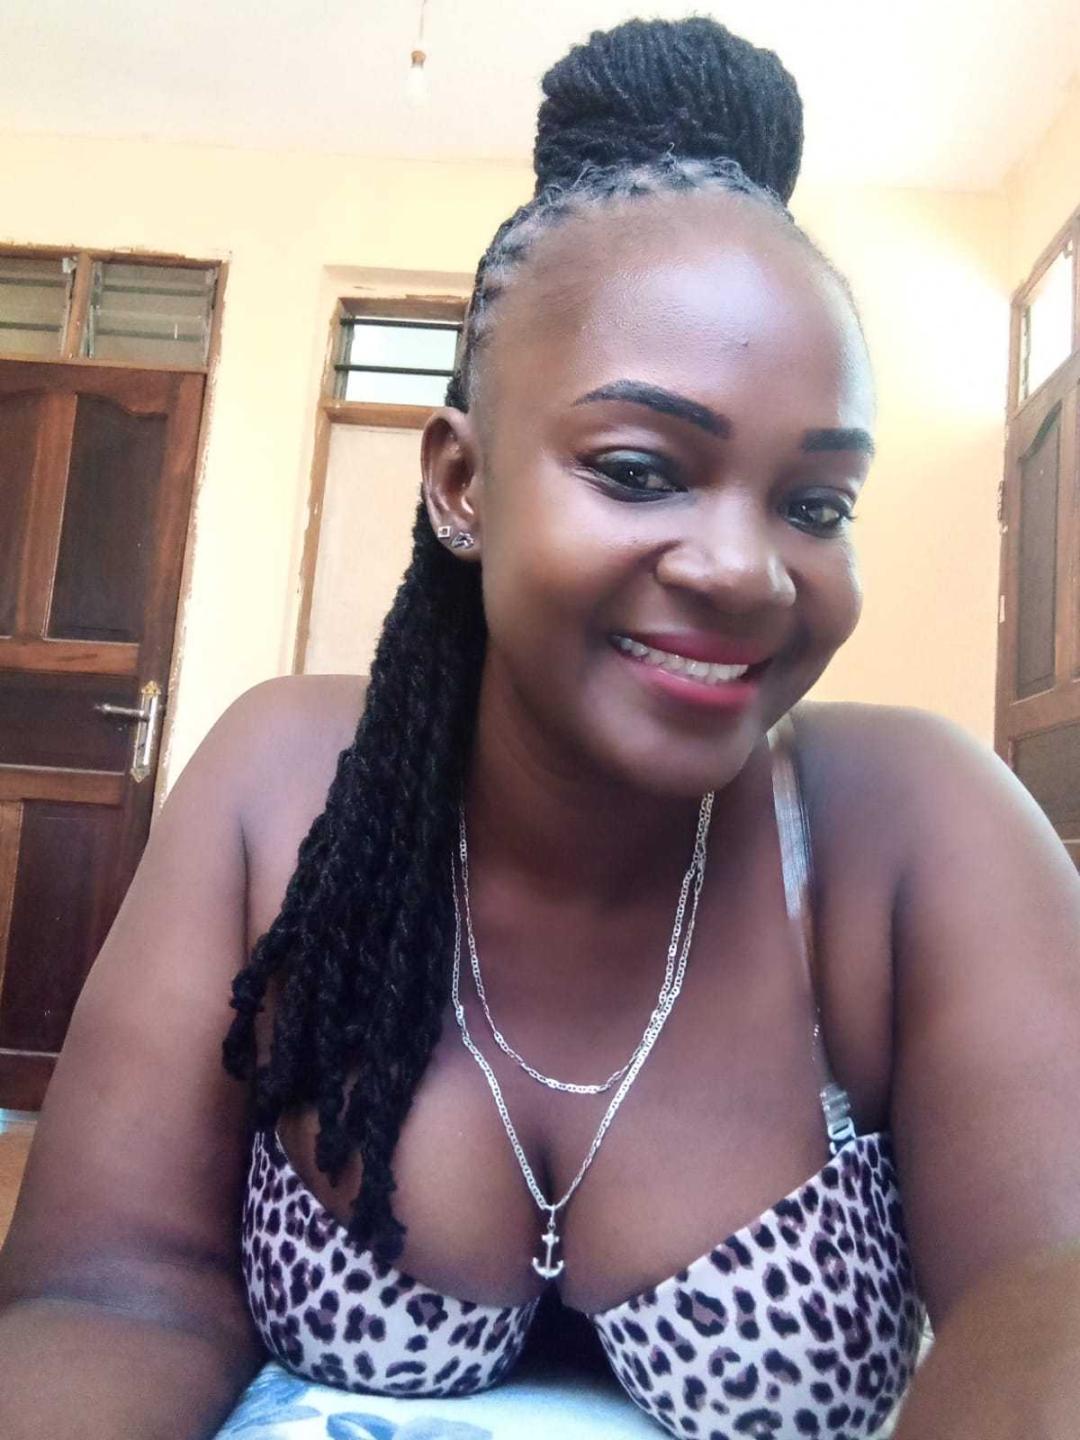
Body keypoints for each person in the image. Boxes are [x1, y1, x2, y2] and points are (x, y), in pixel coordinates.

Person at [2, 16, 1079, 1440]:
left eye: (814, 504)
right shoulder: (280, 792)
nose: (745, 572)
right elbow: (114, 1292)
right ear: (461, 483)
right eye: (640, 470)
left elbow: (1050, 1291)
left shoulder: (916, 832)